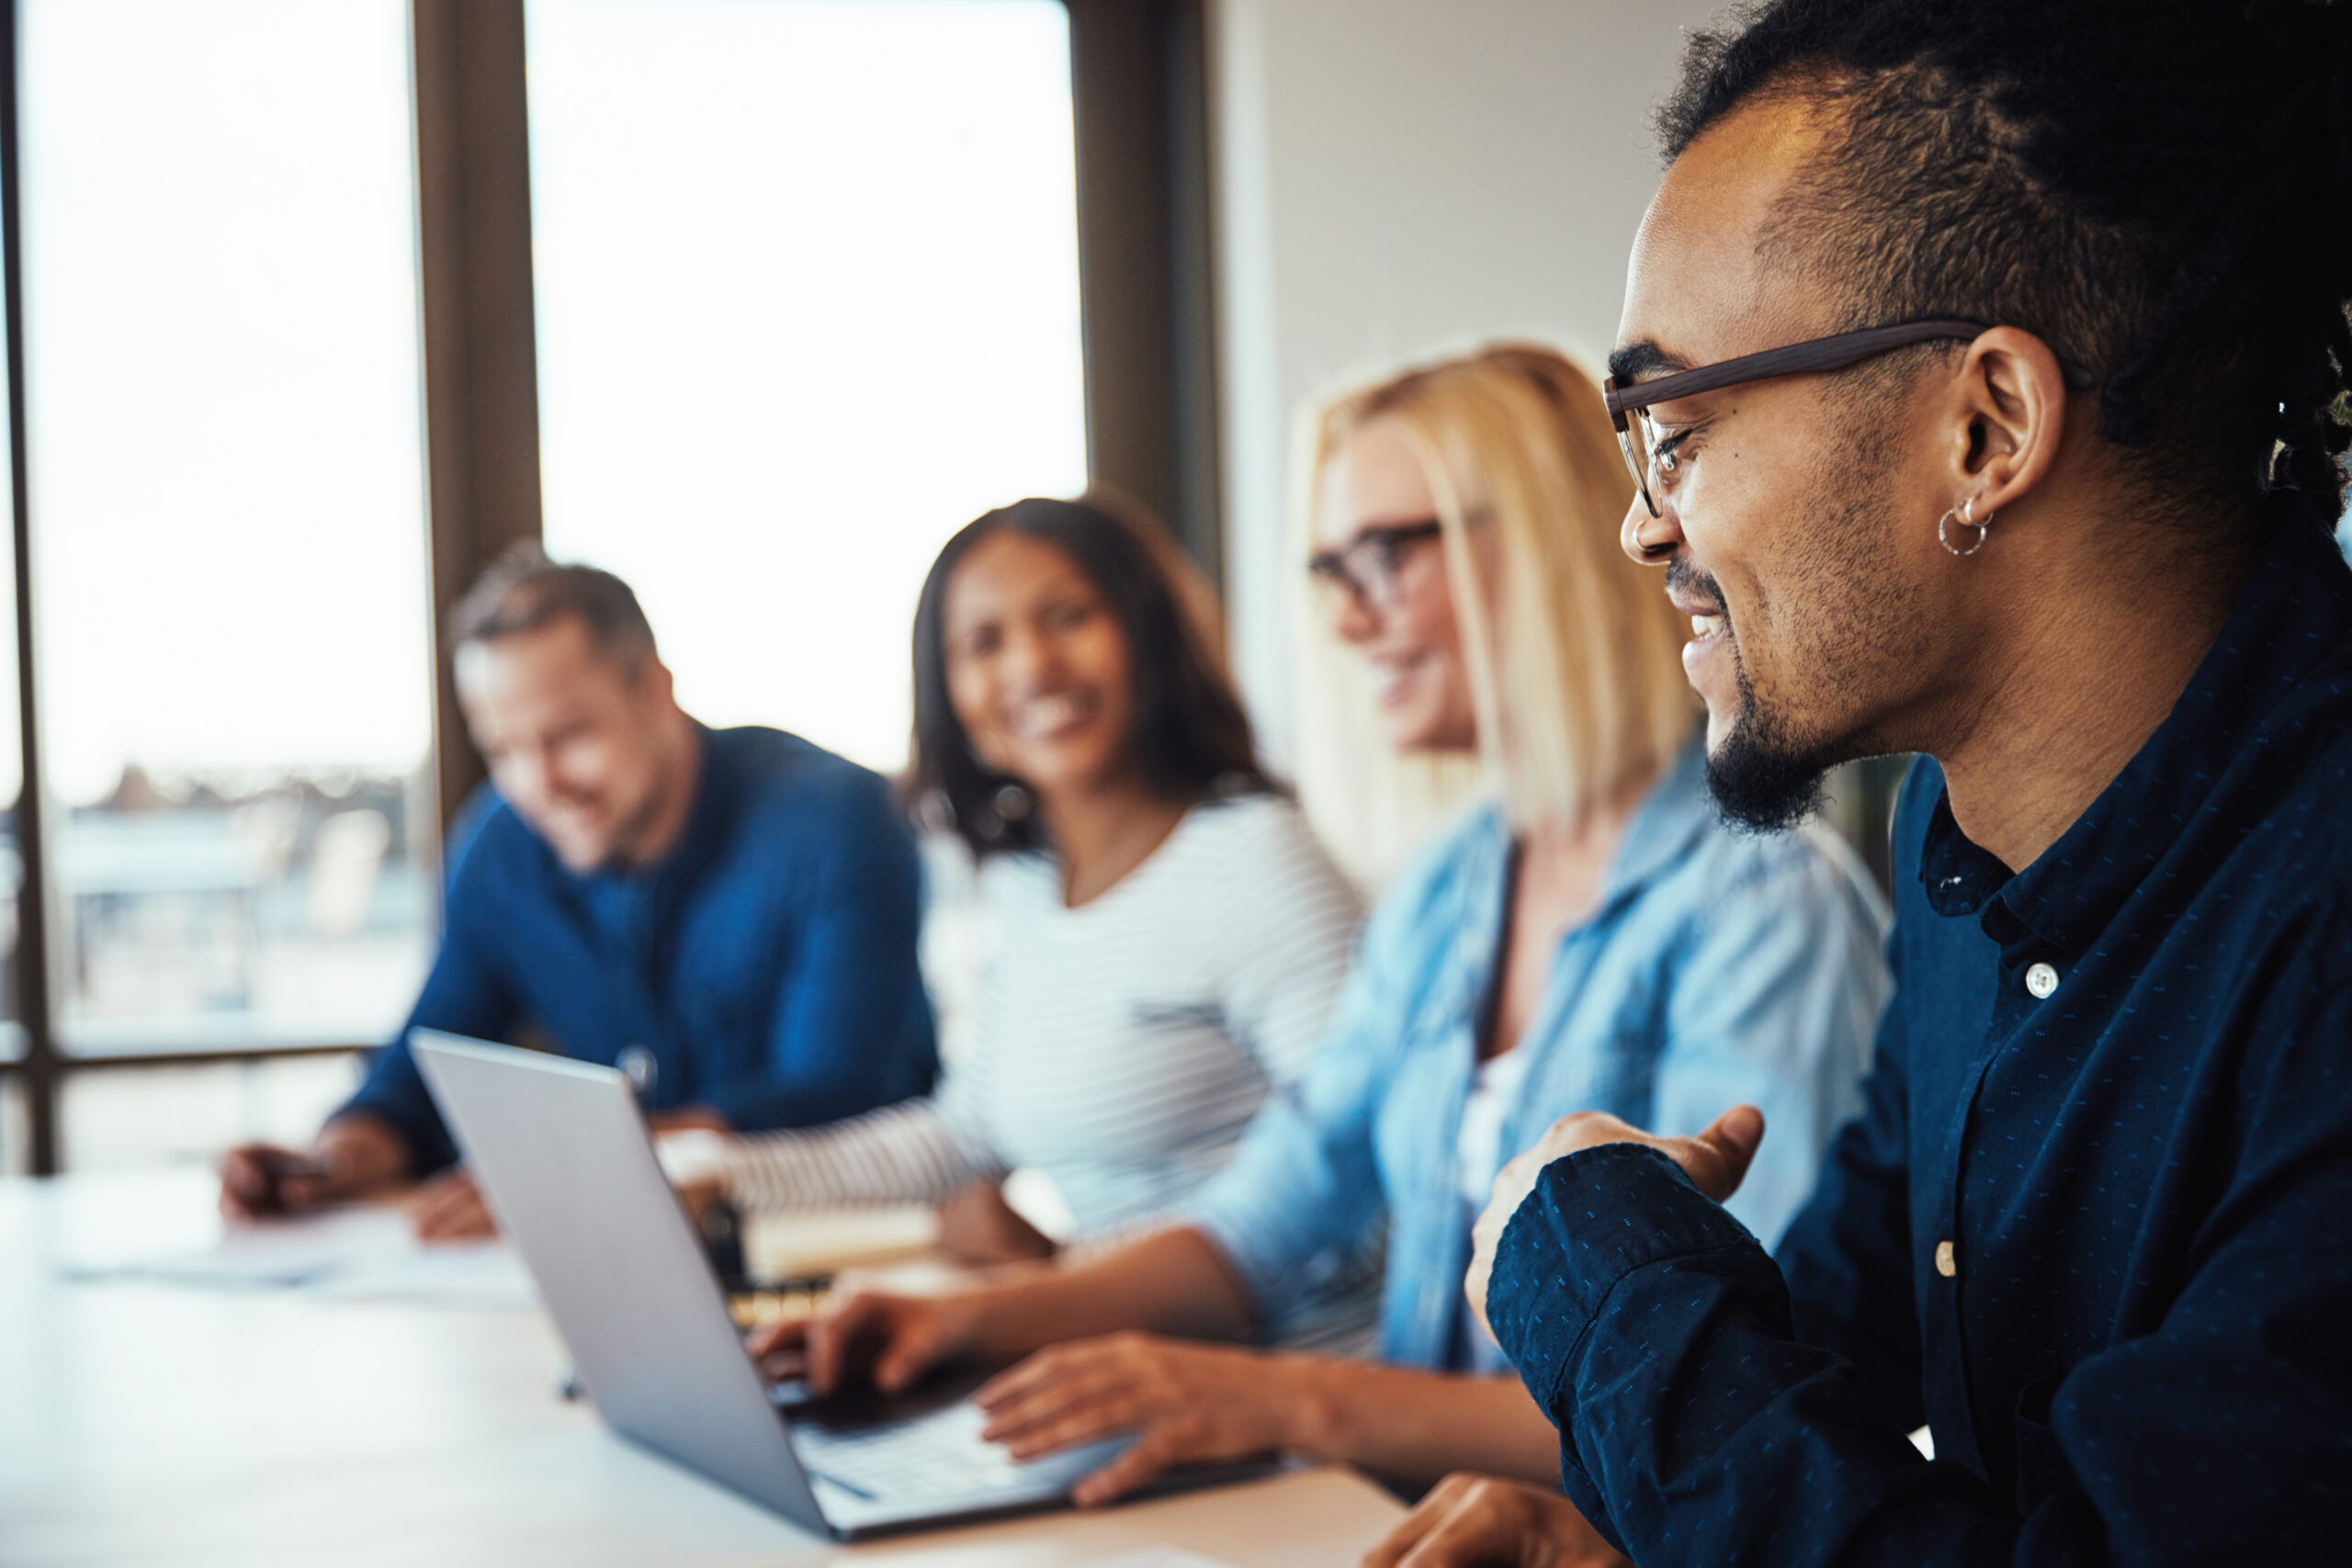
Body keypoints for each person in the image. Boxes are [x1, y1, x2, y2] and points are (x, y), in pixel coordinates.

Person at [1369, 3, 2352, 1564]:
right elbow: (1840, 1356)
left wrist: (1602, 1266)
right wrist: (1609, 1538)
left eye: (1674, 429)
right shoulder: (1959, 850)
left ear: (1987, 427)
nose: (1642, 529)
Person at [752, 344, 1890, 1505]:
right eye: (1331, 569)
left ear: (1549, 537)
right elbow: (1275, 1209)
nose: (1350, 618)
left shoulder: (1760, 906)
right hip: (1401, 1509)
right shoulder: (1451, 886)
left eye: (1389, 553)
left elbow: (1747, 1406)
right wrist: (968, 1320)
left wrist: (1272, 1398)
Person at [707, 496, 1367, 1280]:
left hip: (1279, 1374)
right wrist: (718, 1180)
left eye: (1069, 617)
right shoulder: (1023, 882)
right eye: (984, 642)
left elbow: (1374, 1194)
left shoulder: (1254, 861)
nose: (1030, 666)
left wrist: (1064, 1270)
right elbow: (965, 1134)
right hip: (1115, 1356)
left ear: (1147, 636)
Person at [220, 549, 938, 1240]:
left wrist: (565, 1170)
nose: (541, 784)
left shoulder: (836, 818)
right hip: (627, 1252)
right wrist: (329, 1162)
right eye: (502, 749)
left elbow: (831, 1097)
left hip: (858, 1248)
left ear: (655, 690)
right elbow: (420, 1065)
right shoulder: (501, 848)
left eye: (567, 735)